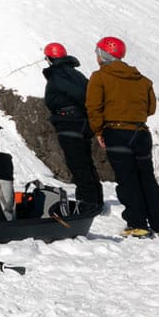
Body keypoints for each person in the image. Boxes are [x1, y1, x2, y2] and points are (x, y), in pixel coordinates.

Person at [86, 35, 159, 236]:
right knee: (147, 178)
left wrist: (98, 131)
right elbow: (151, 109)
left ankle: (137, 224)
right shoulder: (143, 80)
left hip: (116, 132)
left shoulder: (100, 77)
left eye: (97, 52)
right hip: (141, 133)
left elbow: (93, 107)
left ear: (103, 55)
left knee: (127, 179)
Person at [42, 41, 104, 213]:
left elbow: (79, 95)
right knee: (85, 162)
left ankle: (87, 203)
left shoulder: (58, 74)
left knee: (78, 165)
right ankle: (96, 200)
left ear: (49, 58)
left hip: (69, 122)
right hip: (82, 122)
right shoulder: (75, 74)